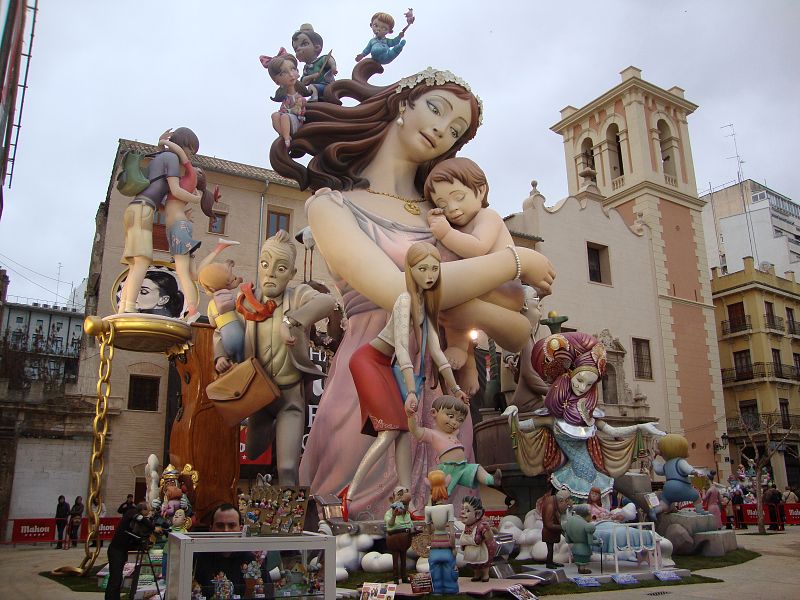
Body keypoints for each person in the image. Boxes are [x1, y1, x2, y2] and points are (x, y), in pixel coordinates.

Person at [276, 64, 555, 516]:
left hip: (444, 396)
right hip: (372, 382)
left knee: (446, 525)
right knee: (359, 521)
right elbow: (399, 294)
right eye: (437, 110)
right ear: (403, 105)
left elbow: (517, 330)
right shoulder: (332, 206)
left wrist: (472, 312)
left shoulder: (448, 219)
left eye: (456, 130)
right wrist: (513, 261)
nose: (443, 131)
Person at [346, 242, 467, 518]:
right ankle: (350, 495)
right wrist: (411, 391)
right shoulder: (404, 300)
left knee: (401, 431)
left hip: (382, 364)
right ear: (410, 271)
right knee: (389, 430)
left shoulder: (426, 305)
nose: (429, 275)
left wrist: (456, 387)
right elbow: (401, 347)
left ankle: (406, 499)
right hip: (368, 360)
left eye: (434, 269)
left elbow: (436, 351)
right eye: (422, 269)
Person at [214, 230, 335, 486]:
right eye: (265, 264)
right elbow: (223, 331)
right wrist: (220, 357)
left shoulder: (297, 296)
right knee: (251, 453)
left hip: (290, 397)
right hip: (256, 394)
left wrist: (292, 321)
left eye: (280, 268)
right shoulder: (245, 301)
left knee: (288, 466)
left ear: (291, 274)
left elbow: (327, 301)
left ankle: (289, 523)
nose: (270, 273)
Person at [423, 157, 530, 374]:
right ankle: (460, 347)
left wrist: (445, 232)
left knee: (454, 295)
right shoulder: (459, 227)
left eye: (458, 197)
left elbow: (478, 247)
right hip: (482, 290)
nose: (452, 209)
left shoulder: (487, 217)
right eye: (442, 204)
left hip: (505, 288)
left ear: (480, 191)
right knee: (451, 298)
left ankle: (461, 348)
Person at [117, 127, 202, 314]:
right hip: (143, 210)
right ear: (183, 145)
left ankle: (124, 306)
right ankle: (130, 307)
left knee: (135, 262)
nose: (190, 155)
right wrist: (196, 199)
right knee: (142, 261)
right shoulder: (171, 159)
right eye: (190, 150)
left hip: (135, 209)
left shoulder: (160, 158)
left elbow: (159, 197)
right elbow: (176, 190)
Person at [407, 394, 499, 496]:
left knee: (477, 469)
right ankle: (436, 507)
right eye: (450, 416)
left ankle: (491, 480)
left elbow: (462, 414)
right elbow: (415, 431)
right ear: (434, 413)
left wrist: (461, 402)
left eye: (459, 420)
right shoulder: (433, 434)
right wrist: (410, 417)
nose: (455, 422)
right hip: (447, 468)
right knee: (441, 493)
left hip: (463, 467)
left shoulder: (454, 433)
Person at [193, 504, 278, 598]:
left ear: (240, 530)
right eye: (220, 526)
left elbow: (268, 594)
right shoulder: (198, 559)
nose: (226, 531)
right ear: (211, 529)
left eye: (232, 525)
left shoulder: (251, 560)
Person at [105, 502, 159, 600]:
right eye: (148, 510)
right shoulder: (131, 512)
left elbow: (135, 538)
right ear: (142, 509)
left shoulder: (135, 522)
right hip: (116, 551)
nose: (148, 513)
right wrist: (153, 528)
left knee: (117, 579)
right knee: (115, 579)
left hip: (121, 552)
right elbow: (141, 519)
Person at [260, 51, 309, 148]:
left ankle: (287, 138)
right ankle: (283, 136)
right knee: (275, 115)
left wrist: (289, 111)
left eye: (293, 69)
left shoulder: (299, 97)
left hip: (297, 122)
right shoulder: (285, 98)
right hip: (286, 122)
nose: (291, 74)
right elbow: (282, 109)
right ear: (277, 81)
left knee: (284, 117)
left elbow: (298, 110)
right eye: (284, 73)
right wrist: (287, 111)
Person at [424, 470, 458, 595]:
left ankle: (437, 590)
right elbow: (452, 532)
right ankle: (450, 589)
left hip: (434, 547)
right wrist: (453, 547)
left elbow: (428, 532)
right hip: (446, 545)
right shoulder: (449, 507)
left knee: (435, 571)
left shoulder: (428, 509)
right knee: (449, 569)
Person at [291, 24, 336, 101]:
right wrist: (311, 77)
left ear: (316, 47)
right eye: (296, 49)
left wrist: (333, 67)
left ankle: (314, 99)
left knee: (312, 87)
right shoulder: (306, 68)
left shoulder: (321, 60)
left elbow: (329, 59)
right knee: (309, 89)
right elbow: (303, 81)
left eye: (304, 44)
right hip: (316, 87)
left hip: (327, 85)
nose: (298, 49)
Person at [459, 495, 496, 582]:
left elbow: (489, 538)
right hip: (471, 549)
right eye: (462, 509)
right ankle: (477, 574)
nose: (463, 512)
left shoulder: (481, 525)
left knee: (484, 563)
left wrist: (488, 529)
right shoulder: (467, 526)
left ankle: (485, 575)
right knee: (474, 564)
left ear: (478, 514)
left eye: (467, 510)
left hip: (482, 549)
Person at [384, 486, 413, 584]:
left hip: (405, 539)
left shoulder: (407, 514)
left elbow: (410, 524)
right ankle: (396, 578)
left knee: (404, 559)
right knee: (395, 560)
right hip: (394, 539)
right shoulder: (388, 513)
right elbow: (390, 524)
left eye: (404, 495)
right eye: (399, 495)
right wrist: (394, 515)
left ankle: (404, 577)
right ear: (392, 499)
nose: (402, 498)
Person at [541, 489, 571, 569]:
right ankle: (549, 563)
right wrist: (562, 527)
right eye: (566, 502)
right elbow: (549, 524)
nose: (567, 504)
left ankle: (550, 561)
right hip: (548, 532)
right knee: (550, 549)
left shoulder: (554, 503)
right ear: (561, 500)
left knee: (551, 549)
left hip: (551, 532)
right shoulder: (550, 506)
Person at [562, 504, 597, 575]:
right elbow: (590, 542)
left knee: (578, 559)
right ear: (586, 515)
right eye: (590, 515)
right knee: (583, 559)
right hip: (583, 548)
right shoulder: (586, 526)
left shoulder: (569, 522)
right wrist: (598, 542)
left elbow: (567, 540)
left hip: (574, 548)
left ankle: (580, 568)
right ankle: (582, 569)